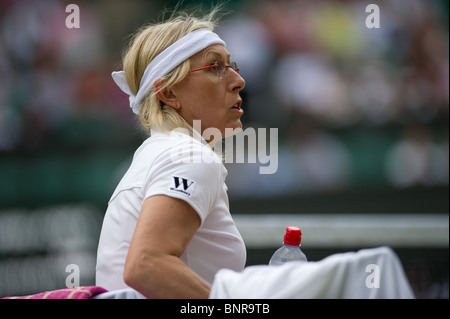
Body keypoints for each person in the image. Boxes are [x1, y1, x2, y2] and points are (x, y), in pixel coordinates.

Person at [95, 7, 247, 299]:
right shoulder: (189, 155)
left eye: (232, 65)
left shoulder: (159, 151)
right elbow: (145, 266)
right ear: (169, 93)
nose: (238, 80)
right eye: (215, 67)